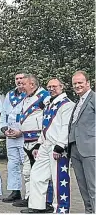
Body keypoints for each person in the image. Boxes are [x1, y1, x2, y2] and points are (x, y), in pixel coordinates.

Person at [22, 78, 75, 213]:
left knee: (59, 179)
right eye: (49, 87)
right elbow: (45, 127)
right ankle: (37, 205)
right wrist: (39, 144)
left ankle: (61, 208)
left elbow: (66, 127)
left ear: (62, 87)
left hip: (58, 147)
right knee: (36, 174)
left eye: (54, 86)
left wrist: (60, 145)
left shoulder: (67, 104)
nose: (51, 89)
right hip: (46, 145)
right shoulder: (49, 104)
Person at [13, 74, 50, 207]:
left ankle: (44, 201)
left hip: (38, 140)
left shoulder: (44, 95)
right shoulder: (26, 98)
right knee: (27, 172)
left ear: (32, 84)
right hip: (26, 139)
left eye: (24, 84)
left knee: (39, 173)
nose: (21, 86)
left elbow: (49, 115)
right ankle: (29, 197)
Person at [68, 70, 95, 213]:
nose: (77, 85)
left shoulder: (93, 99)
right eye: (75, 83)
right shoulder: (78, 102)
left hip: (90, 149)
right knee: (83, 187)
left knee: (93, 186)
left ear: (88, 83)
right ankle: (89, 211)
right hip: (75, 148)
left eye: (80, 82)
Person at [0, 73, 27, 203]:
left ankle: (29, 194)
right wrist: (4, 129)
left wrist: (21, 131)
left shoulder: (30, 94)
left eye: (21, 78)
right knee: (12, 164)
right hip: (10, 134)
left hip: (23, 134)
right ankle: (15, 191)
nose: (19, 81)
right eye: (17, 79)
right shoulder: (9, 94)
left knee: (26, 164)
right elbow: (4, 112)